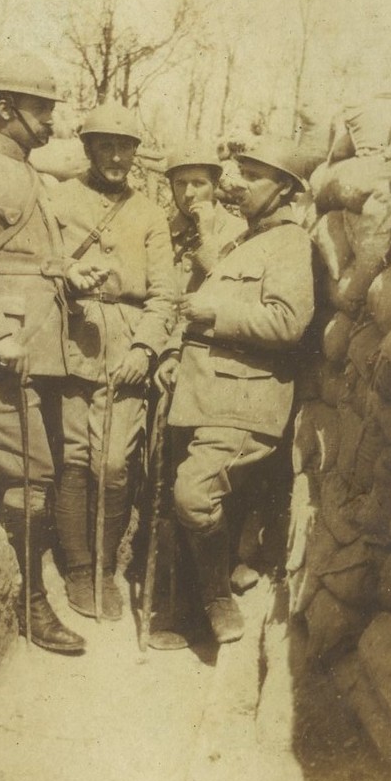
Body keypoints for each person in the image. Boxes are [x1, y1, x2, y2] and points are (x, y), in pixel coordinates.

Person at [0, 53, 102, 656]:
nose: (52, 123)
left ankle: (22, 591)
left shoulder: (27, 173)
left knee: (46, 476)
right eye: (41, 110)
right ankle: (29, 608)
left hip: (40, 353)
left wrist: (69, 271)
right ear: (4, 109)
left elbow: (28, 258)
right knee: (32, 481)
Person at [156, 137, 315, 645]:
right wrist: (174, 353)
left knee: (194, 495)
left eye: (253, 175)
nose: (236, 183)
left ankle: (217, 600)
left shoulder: (290, 243)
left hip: (244, 399)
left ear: (285, 189)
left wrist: (214, 314)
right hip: (199, 394)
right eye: (238, 172)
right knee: (185, 500)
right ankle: (189, 609)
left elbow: (288, 322)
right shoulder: (242, 240)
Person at [50, 101, 175, 621]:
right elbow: (42, 262)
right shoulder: (59, 199)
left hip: (125, 348)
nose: (117, 156)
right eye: (107, 145)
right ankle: (80, 568)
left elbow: (165, 295)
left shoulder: (149, 214)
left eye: (126, 146)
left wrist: (145, 349)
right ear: (88, 148)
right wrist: (66, 272)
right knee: (74, 456)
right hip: (70, 339)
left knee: (116, 464)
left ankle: (106, 565)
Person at [165, 147, 245, 296]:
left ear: (215, 186)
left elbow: (235, 295)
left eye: (198, 183)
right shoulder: (163, 231)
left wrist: (207, 238)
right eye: (180, 183)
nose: (188, 193)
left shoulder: (240, 232)